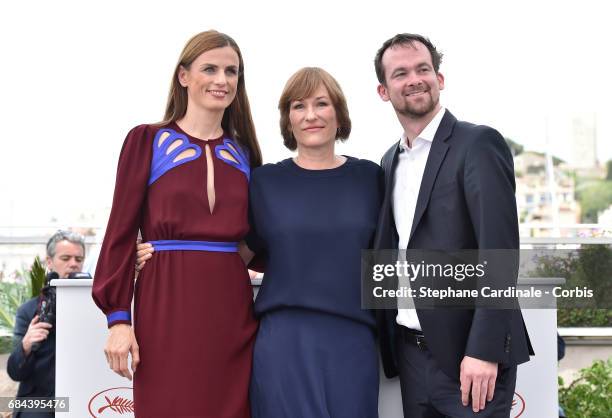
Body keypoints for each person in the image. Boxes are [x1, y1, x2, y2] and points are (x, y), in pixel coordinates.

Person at [137, 67, 383, 418]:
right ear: (287, 120)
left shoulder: (370, 177)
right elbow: (230, 252)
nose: (310, 115)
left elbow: (397, 252)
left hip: (352, 339)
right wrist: (156, 254)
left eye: (322, 104)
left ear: (339, 114)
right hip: (282, 342)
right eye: (298, 106)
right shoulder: (265, 182)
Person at [92, 30, 262, 417]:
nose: (222, 80)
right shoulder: (147, 140)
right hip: (164, 304)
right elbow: (119, 230)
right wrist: (118, 319)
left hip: (231, 310)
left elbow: (263, 234)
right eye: (210, 68)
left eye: (231, 71)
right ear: (184, 76)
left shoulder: (246, 153)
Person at [373, 33, 534, 417]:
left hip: (470, 359)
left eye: (423, 69)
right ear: (383, 90)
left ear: (439, 80)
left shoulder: (478, 144)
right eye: (400, 73)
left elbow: (499, 252)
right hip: (412, 356)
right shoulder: (388, 161)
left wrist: (483, 349)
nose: (414, 79)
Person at [7, 230, 85, 418]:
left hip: (82, 394)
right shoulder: (28, 311)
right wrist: (25, 346)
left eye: (79, 259)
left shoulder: (95, 307)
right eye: (65, 258)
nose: (73, 264)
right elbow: (15, 372)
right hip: (39, 398)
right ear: (49, 261)